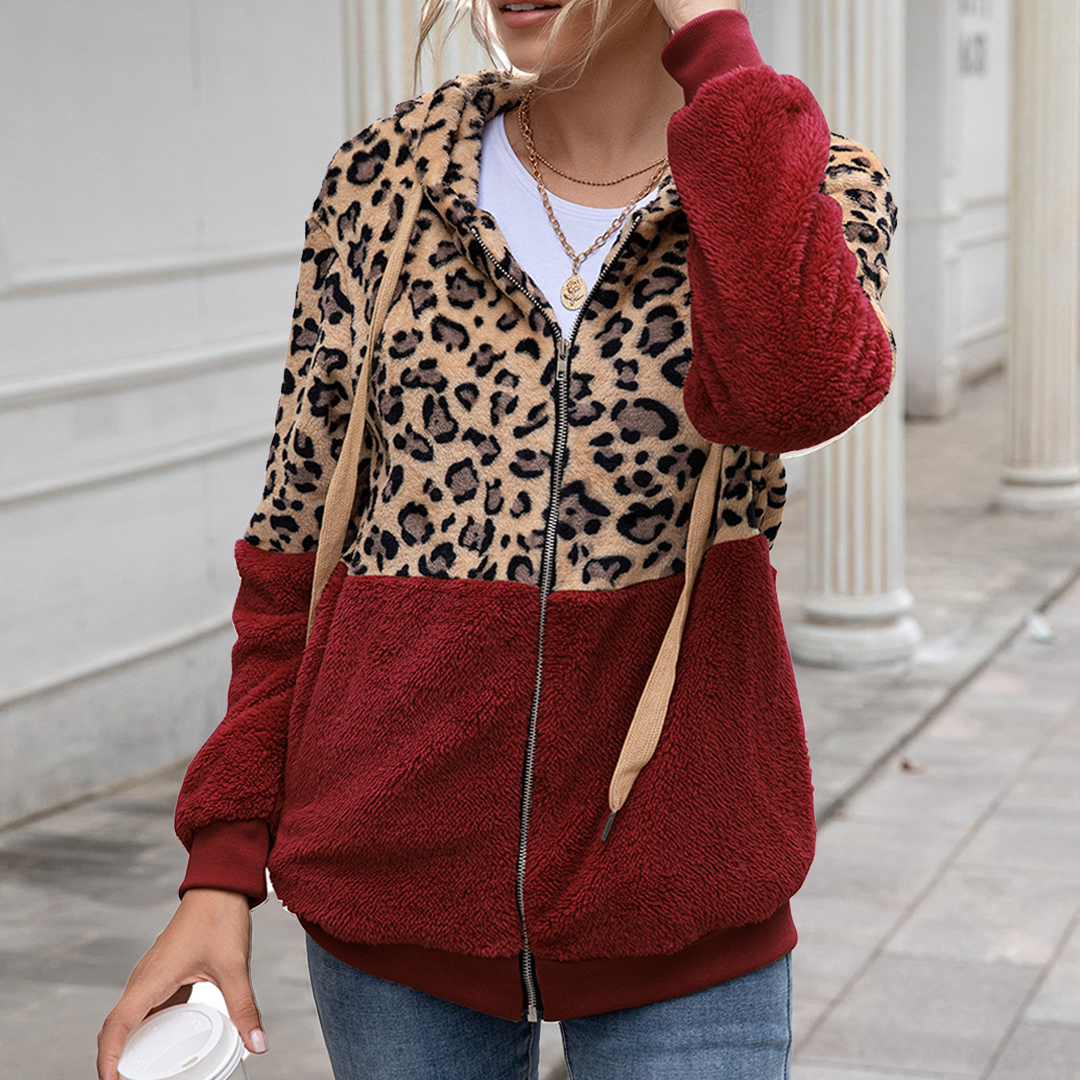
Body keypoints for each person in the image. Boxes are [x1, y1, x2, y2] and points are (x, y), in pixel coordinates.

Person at [98, 0, 897, 1076]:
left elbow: (791, 392)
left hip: (683, 897)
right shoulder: (386, 179)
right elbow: (294, 540)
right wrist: (222, 866)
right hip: (391, 890)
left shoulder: (805, 183)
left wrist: (713, 39)